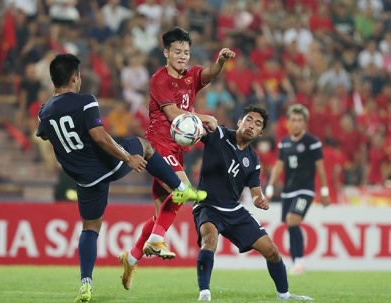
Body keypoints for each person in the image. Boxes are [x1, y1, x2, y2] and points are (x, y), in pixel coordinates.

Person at [35, 53, 207, 303]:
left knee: (90, 229)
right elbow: (100, 136)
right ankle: (181, 187)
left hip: (84, 179)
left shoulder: (44, 111)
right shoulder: (85, 101)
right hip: (103, 163)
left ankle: (86, 284)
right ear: (75, 77)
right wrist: (127, 157)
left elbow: (44, 135)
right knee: (145, 146)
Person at [118, 26, 235, 290]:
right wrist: (203, 118)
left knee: (162, 211)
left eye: (186, 52)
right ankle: (157, 240)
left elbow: (209, 74)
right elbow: (173, 115)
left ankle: (132, 256)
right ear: (166, 53)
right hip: (158, 146)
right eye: (178, 51)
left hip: (177, 149)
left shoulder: (191, 75)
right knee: (184, 191)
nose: (183, 56)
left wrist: (220, 62)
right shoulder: (159, 80)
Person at [193, 105, 314, 301]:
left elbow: (255, 193)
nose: (252, 125)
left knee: (272, 251)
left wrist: (260, 200)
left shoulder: (253, 159)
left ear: (260, 133)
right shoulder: (220, 134)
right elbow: (195, 128)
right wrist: (201, 120)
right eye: (249, 120)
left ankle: (284, 295)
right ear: (240, 121)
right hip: (208, 205)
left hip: (233, 210)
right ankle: (204, 293)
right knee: (209, 239)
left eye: (258, 124)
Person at [265, 104, 331, 276]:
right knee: (289, 223)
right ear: (288, 122)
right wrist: (270, 188)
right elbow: (279, 166)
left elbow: (321, 168)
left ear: (305, 123)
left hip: (305, 190)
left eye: (299, 120)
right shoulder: (285, 143)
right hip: (288, 190)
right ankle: (296, 262)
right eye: (293, 120)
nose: (296, 124)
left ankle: (300, 261)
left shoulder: (312, 142)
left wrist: (324, 192)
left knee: (292, 219)